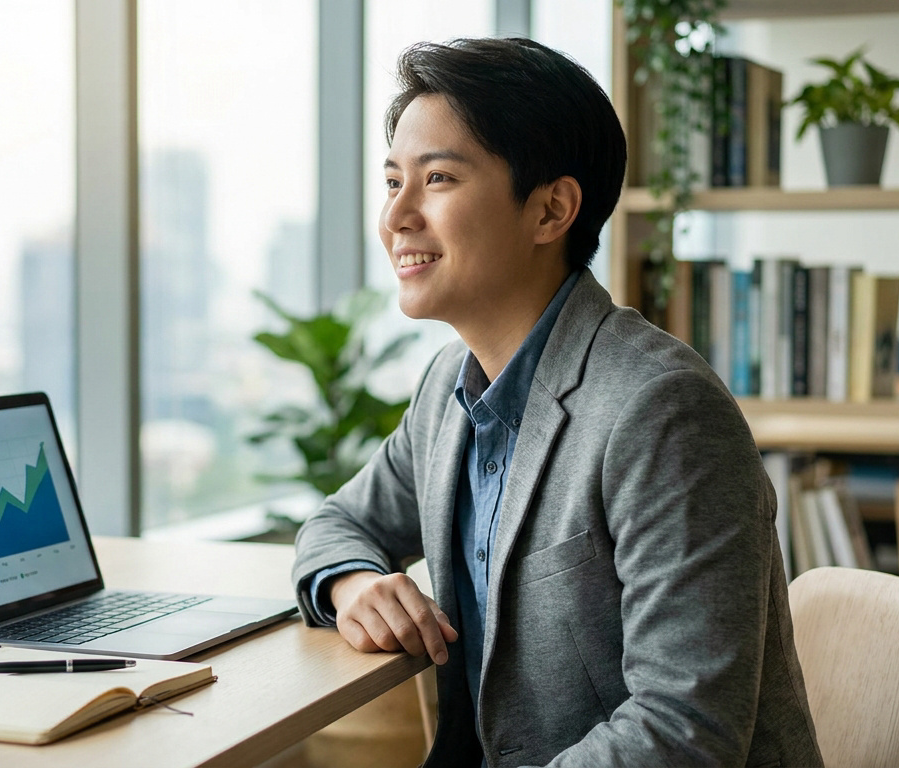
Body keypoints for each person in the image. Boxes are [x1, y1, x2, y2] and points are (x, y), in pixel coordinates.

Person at [291, 37, 823, 767]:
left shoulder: (662, 410)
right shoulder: (451, 386)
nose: (396, 218)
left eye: (438, 178)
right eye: (393, 182)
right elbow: (338, 521)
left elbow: (685, 731)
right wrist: (353, 583)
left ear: (552, 210)